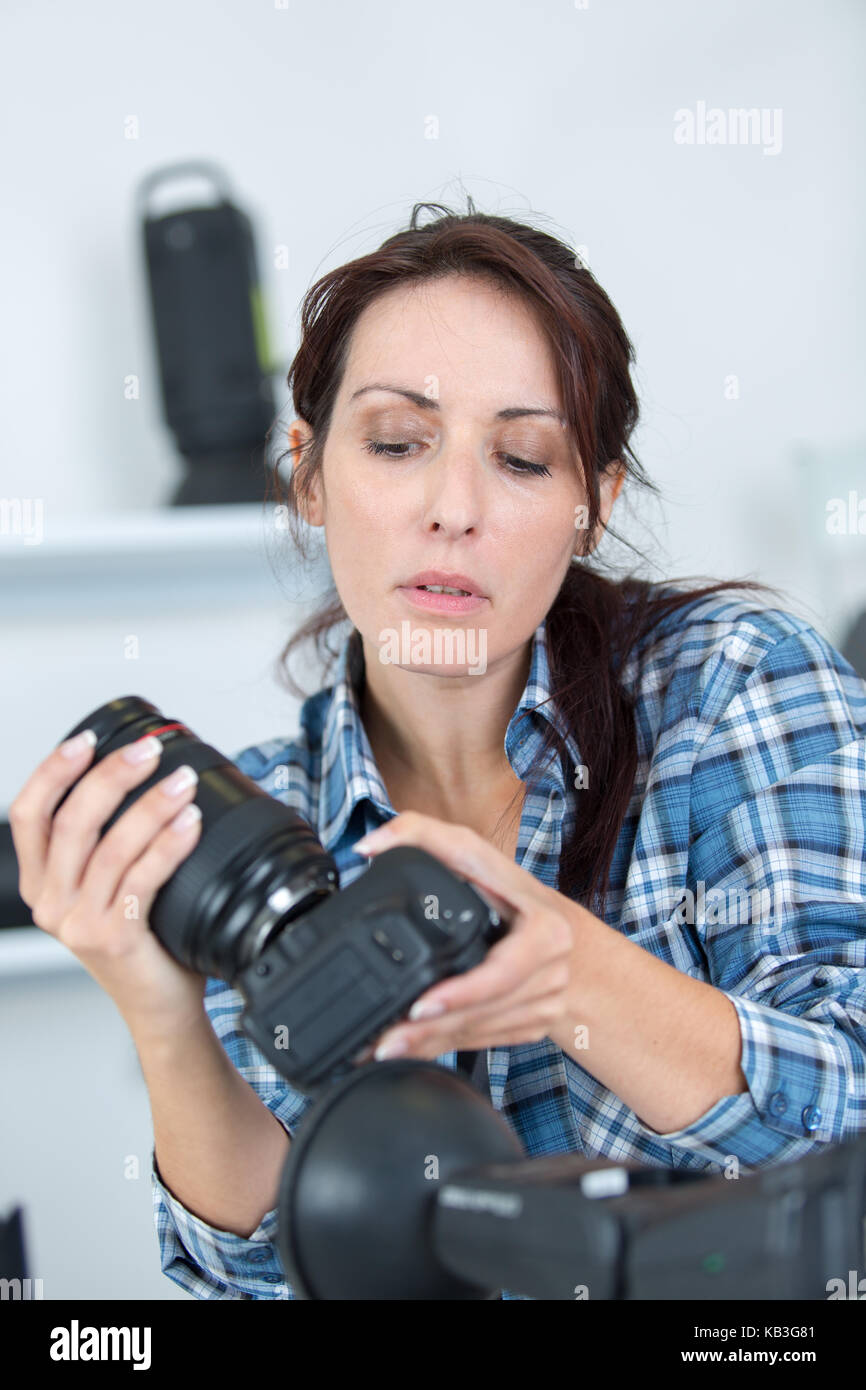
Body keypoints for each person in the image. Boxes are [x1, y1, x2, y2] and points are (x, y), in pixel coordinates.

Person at [11, 202, 866, 1302]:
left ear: (590, 506)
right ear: (308, 475)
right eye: (397, 443)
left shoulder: (733, 685)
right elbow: (265, 1280)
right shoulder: (265, 816)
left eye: (519, 457)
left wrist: (572, 973)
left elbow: (846, 1115)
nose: (452, 507)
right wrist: (159, 1005)